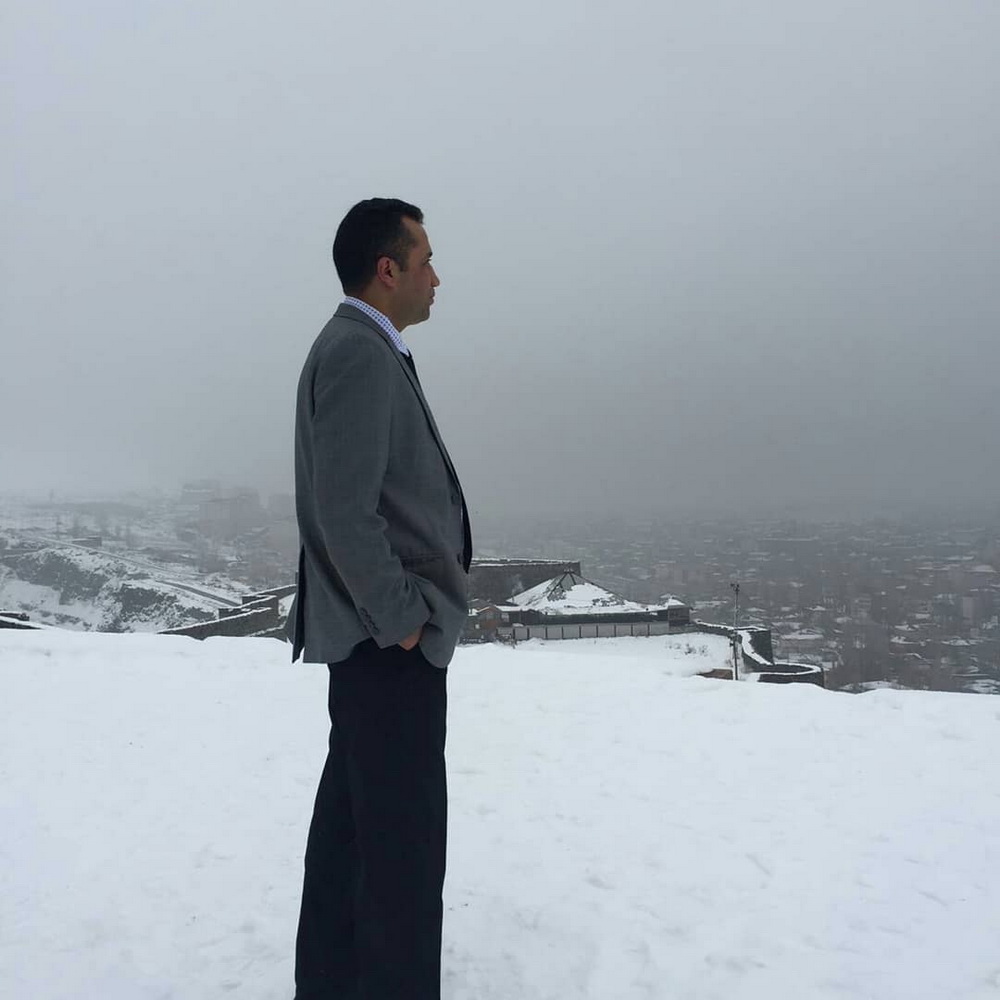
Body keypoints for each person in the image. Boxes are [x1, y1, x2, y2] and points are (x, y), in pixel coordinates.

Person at [287, 198, 472, 1000]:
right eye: (425, 259)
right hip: (385, 647)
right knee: (402, 851)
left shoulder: (362, 347)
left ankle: (332, 982)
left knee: (355, 837)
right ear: (387, 269)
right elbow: (344, 511)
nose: (437, 277)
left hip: (374, 646)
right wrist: (404, 623)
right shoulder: (359, 353)